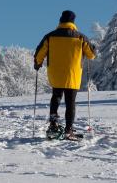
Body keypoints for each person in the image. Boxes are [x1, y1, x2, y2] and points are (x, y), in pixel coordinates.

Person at [34, 10, 96, 140]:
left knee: (55, 98)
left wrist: (37, 64)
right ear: (73, 22)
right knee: (70, 102)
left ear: (60, 21)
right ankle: (68, 130)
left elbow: (39, 53)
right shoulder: (81, 37)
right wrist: (93, 48)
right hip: (73, 74)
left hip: (55, 74)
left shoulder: (50, 36)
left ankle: (53, 125)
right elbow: (91, 55)